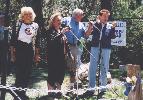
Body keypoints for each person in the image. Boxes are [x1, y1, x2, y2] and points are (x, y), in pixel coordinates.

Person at [35, 12, 72, 97]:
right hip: (53, 57)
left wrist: (69, 54)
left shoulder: (61, 31)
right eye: (57, 20)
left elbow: (65, 43)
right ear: (53, 22)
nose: (60, 22)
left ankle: (58, 91)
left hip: (62, 57)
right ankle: (51, 93)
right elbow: (52, 42)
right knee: (52, 74)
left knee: (61, 74)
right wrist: (61, 33)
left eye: (60, 20)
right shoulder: (50, 31)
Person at [10, 7, 39, 100]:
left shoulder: (35, 25)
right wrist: (12, 55)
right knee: (19, 73)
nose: (28, 16)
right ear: (22, 16)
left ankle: (23, 93)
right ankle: (17, 95)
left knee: (27, 73)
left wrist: (36, 54)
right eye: (26, 14)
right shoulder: (18, 24)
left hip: (30, 50)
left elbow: (37, 41)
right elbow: (12, 41)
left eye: (30, 14)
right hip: (19, 51)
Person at [87, 9, 116, 97]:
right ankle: (91, 88)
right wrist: (97, 23)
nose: (106, 18)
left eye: (107, 16)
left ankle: (103, 88)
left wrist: (114, 28)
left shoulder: (110, 26)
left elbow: (113, 36)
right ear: (100, 16)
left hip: (106, 48)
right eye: (104, 16)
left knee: (104, 66)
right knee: (92, 67)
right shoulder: (96, 24)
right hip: (95, 47)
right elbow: (90, 33)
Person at [62, 8, 93, 88]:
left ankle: (74, 84)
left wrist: (90, 27)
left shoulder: (81, 24)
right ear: (76, 15)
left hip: (77, 46)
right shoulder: (66, 20)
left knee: (76, 65)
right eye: (81, 15)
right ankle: (70, 84)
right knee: (70, 65)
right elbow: (59, 28)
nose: (82, 16)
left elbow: (85, 36)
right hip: (67, 46)